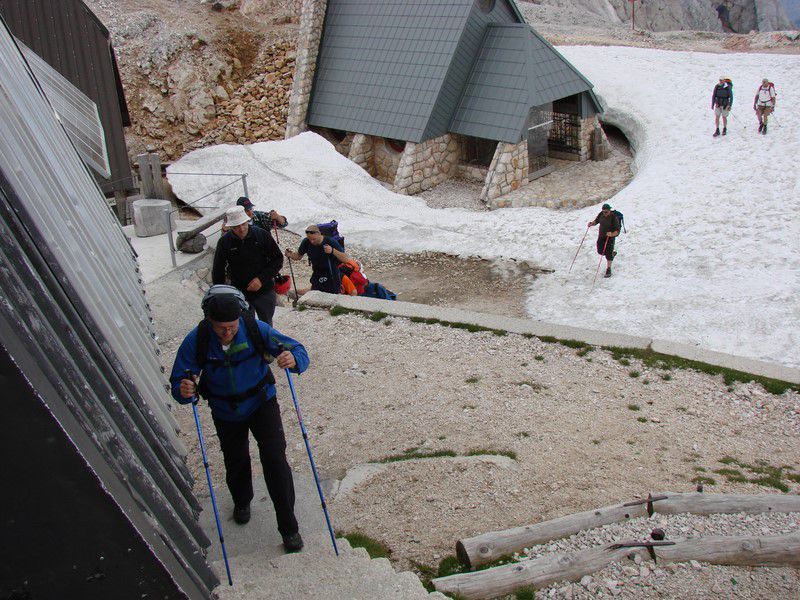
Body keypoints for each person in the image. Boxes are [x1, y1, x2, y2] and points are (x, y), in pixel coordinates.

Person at [169, 288, 309, 552]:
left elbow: (297, 349)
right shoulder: (197, 339)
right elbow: (179, 381)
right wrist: (183, 390)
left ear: (239, 319)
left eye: (231, 327)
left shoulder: (254, 328)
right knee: (235, 459)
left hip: (261, 403)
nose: (227, 333)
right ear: (210, 321)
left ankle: (289, 527)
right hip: (224, 410)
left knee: (275, 459)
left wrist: (293, 359)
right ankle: (242, 500)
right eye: (221, 328)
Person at [213, 205, 282, 325]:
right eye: (236, 226)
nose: (241, 229)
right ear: (230, 227)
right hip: (239, 293)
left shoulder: (261, 235)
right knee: (244, 325)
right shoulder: (225, 242)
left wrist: (261, 279)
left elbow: (277, 259)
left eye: (243, 224)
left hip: (264, 290)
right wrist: (220, 294)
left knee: (266, 325)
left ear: (247, 221)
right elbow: (218, 270)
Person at [284, 224, 350, 295]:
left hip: (332, 275)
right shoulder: (306, 242)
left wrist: (332, 251)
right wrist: (290, 255)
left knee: (331, 297)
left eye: (313, 239)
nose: (311, 242)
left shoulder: (330, 241)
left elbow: (346, 259)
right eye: (310, 239)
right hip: (317, 274)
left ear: (319, 234)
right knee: (315, 294)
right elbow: (298, 256)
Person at [588, 203, 620, 278]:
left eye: (606, 212)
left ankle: (608, 268)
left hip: (609, 238)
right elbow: (596, 221)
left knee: (608, 254)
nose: (604, 213)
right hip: (601, 236)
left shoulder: (613, 217)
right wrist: (591, 224)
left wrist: (611, 234)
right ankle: (611, 254)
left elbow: (617, 231)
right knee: (600, 251)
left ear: (609, 210)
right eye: (603, 211)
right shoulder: (601, 214)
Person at [221, 197, 288, 234]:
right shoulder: (235, 223)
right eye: (247, 210)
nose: (251, 212)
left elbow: (283, 224)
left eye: (251, 208)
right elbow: (227, 242)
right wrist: (224, 230)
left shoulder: (258, 216)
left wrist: (277, 217)